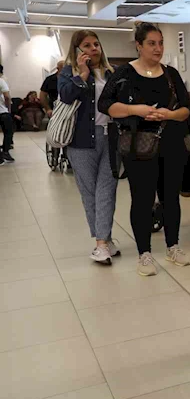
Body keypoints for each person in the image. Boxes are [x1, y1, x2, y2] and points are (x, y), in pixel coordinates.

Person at [99, 22, 190, 276]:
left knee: (170, 198)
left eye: (161, 43)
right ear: (139, 45)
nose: (158, 48)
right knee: (142, 199)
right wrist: (134, 110)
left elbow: (186, 110)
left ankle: (173, 246)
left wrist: (170, 114)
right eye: (152, 43)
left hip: (171, 144)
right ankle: (145, 254)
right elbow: (105, 105)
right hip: (138, 147)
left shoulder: (171, 74)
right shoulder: (124, 74)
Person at [57, 31, 119, 264]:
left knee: (107, 190)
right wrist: (82, 75)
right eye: (87, 45)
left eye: (96, 44)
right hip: (81, 142)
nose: (93, 48)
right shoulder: (69, 71)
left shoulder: (110, 72)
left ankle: (103, 240)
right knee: (90, 193)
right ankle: (103, 242)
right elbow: (64, 96)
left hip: (110, 139)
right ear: (77, 49)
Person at [0, 64, 14, 164]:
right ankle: (5, 151)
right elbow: (7, 97)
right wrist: (9, 108)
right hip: (2, 112)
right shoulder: (1, 81)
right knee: (9, 132)